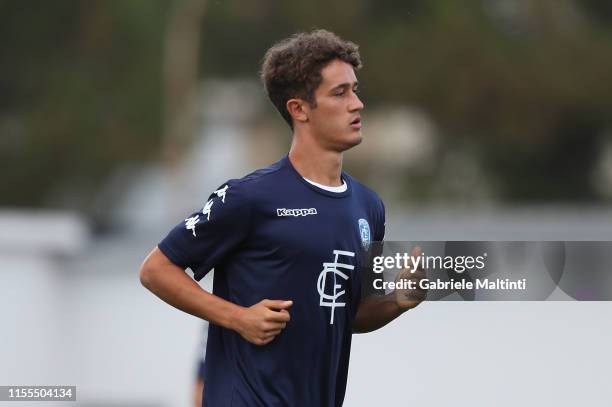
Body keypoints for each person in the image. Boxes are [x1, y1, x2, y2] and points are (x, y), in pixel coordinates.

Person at [140, 29, 425, 407]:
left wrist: (396, 301)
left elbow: (349, 315)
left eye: (355, 90)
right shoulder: (250, 197)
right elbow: (156, 270)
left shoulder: (368, 207)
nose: (357, 104)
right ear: (299, 109)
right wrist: (238, 317)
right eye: (339, 93)